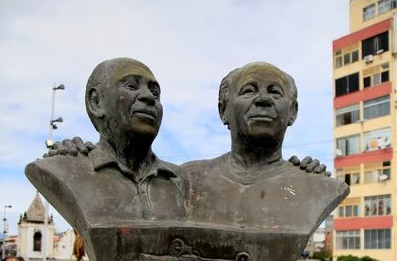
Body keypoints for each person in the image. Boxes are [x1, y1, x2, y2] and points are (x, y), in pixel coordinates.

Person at [26, 58, 187, 240]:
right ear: (96, 102)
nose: (149, 97)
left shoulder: (181, 181)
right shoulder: (64, 169)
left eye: (155, 93)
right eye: (132, 86)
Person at [182, 62, 349, 233]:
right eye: (248, 91)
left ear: (293, 112)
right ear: (223, 110)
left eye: (275, 92)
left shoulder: (319, 187)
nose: (263, 99)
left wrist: (309, 181)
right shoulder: (187, 180)